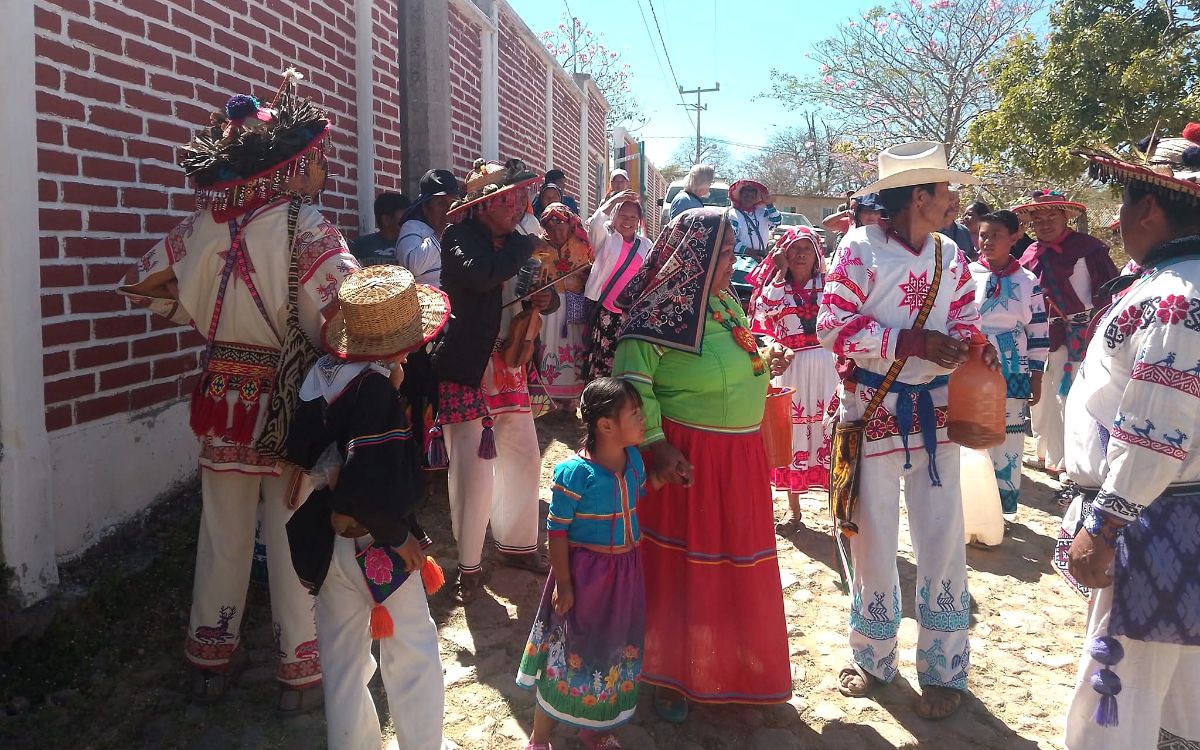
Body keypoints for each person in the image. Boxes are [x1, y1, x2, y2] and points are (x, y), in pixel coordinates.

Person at [117, 71, 356, 712]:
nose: (323, 169)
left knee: (222, 530)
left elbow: (141, 281)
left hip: (222, 393)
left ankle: (208, 659)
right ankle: (298, 673)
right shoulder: (308, 227)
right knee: (288, 528)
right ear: (297, 163)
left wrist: (201, 316)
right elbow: (349, 314)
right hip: (285, 400)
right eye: (319, 159)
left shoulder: (206, 225)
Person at [818, 140, 993, 720]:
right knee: (872, 533)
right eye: (946, 191)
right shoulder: (858, 249)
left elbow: (966, 317)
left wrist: (974, 347)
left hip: (937, 411)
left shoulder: (951, 254)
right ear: (920, 196)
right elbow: (832, 327)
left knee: (943, 533)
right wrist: (910, 342)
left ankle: (944, 668)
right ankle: (873, 656)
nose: (954, 201)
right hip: (872, 408)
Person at [612, 208, 793, 722]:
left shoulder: (723, 302)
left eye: (735, 250)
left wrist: (764, 355)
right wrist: (654, 445)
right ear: (697, 253)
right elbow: (631, 384)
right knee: (685, 564)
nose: (734, 260)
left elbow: (737, 351)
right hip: (688, 462)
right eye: (726, 252)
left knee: (735, 558)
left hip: (740, 457)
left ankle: (729, 666)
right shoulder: (656, 313)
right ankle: (672, 673)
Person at [1062, 126, 1200, 750]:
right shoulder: (1173, 286)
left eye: (1123, 203)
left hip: (1154, 526)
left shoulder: (1174, 299)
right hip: (1171, 514)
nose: (1117, 218)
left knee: (1122, 693)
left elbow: (1157, 427)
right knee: (1176, 692)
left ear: (1148, 208)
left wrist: (1108, 522)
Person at [284, 265, 450, 750]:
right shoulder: (377, 393)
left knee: (342, 660)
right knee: (412, 650)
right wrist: (399, 537)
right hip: (375, 541)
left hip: (327, 543)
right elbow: (371, 479)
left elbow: (305, 448)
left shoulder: (324, 374)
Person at [517, 378, 668, 750]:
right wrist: (564, 583)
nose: (643, 418)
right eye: (634, 413)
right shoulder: (574, 474)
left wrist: (661, 478)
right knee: (568, 655)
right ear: (605, 426)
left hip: (625, 577)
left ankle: (594, 728)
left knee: (610, 651)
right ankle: (539, 738)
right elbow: (556, 530)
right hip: (586, 580)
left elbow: (637, 492)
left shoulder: (633, 460)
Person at [433, 158, 557, 604]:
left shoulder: (516, 242)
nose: (520, 203)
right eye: (511, 197)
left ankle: (518, 544)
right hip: (468, 368)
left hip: (512, 364)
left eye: (523, 196)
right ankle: (469, 564)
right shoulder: (459, 237)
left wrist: (546, 296)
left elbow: (549, 291)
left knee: (524, 457)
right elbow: (484, 274)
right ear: (485, 204)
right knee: (473, 471)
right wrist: (525, 246)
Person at [1015, 189, 1118, 475]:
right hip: (1040, 334)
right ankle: (1047, 453)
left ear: (1065, 218)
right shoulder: (1029, 254)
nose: (1045, 224)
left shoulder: (1089, 248)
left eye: (1052, 217)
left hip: (1080, 332)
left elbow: (1109, 289)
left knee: (1072, 395)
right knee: (1041, 396)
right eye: (1039, 219)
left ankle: (1074, 460)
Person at [748, 225, 838, 529]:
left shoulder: (829, 284)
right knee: (790, 434)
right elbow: (765, 311)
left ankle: (837, 506)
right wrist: (778, 273)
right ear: (783, 254)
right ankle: (793, 508)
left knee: (829, 431)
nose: (800, 255)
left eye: (807, 249)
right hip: (789, 367)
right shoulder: (776, 288)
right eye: (794, 249)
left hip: (827, 365)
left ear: (817, 255)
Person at [968, 210, 1049, 523]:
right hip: (972, 367)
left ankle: (1002, 511)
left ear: (1015, 236)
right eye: (983, 235)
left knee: (1008, 438)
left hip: (1013, 369)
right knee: (972, 436)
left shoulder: (1028, 281)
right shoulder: (965, 274)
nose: (987, 242)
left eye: (996, 235)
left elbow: (1039, 331)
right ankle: (974, 510)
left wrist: (1037, 376)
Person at [581, 190, 651, 381]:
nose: (627, 221)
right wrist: (614, 200)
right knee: (604, 362)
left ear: (638, 221)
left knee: (627, 362)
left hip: (633, 315)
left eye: (633, 217)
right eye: (623, 215)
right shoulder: (606, 240)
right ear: (614, 217)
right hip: (607, 314)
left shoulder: (646, 245)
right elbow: (595, 223)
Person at [535, 203, 594, 405]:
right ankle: (548, 396)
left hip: (576, 305)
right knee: (547, 344)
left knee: (574, 345)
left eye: (560, 227)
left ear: (570, 225)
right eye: (550, 228)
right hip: (548, 307)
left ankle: (572, 398)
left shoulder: (584, 245)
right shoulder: (539, 246)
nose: (555, 232)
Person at [397, 169, 461, 286]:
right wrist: (442, 231)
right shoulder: (413, 227)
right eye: (441, 203)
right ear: (425, 208)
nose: (448, 209)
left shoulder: (461, 230)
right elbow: (413, 268)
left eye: (452, 202)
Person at [728, 178, 783, 261]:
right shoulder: (733, 214)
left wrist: (769, 204)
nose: (749, 198)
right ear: (740, 196)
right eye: (746, 196)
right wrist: (750, 252)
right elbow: (730, 239)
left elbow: (777, 221)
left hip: (761, 259)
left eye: (752, 196)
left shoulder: (763, 213)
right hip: (740, 260)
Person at [351, 192, 411, 266]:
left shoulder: (412, 245)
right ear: (386, 220)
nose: (409, 221)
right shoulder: (360, 245)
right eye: (405, 216)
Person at [940, 189, 977, 260]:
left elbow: (972, 256)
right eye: (951, 201)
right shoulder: (928, 231)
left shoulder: (964, 231)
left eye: (958, 202)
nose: (956, 205)